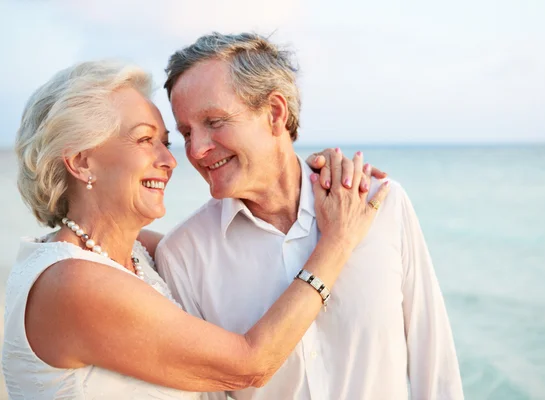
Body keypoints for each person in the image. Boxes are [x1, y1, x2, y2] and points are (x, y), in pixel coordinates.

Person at [2, 60, 389, 398]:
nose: (170, 160)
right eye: (145, 140)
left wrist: (304, 177)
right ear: (83, 162)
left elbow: (240, 247)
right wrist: (337, 241)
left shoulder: (138, 253)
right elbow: (248, 365)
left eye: (168, 142)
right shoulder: (72, 283)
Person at [157, 32, 464, 400]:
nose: (197, 149)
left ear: (274, 113)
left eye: (215, 121)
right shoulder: (183, 256)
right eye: (186, 132)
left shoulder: (381, 204)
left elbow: (435, 366)